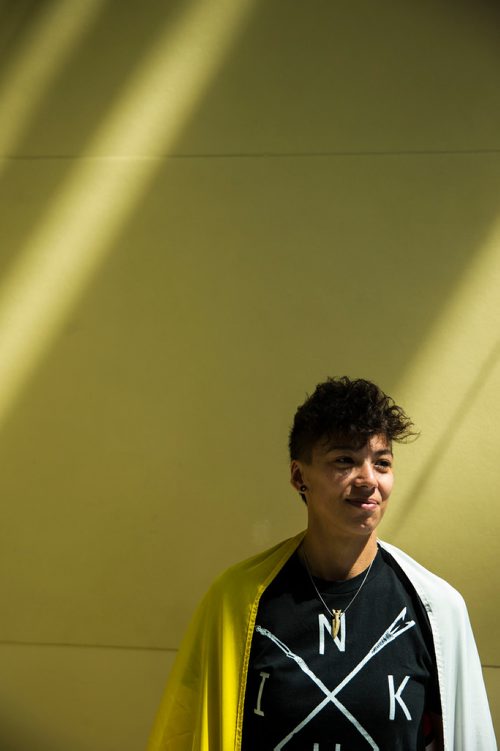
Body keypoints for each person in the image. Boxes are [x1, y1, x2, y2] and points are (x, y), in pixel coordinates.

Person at [147, 376, 497, 750]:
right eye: (344, 460)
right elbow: (186, 735)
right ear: (300, 476)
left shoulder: (437, 610)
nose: (368, 480)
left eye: (382, 463)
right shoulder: (237, 601)